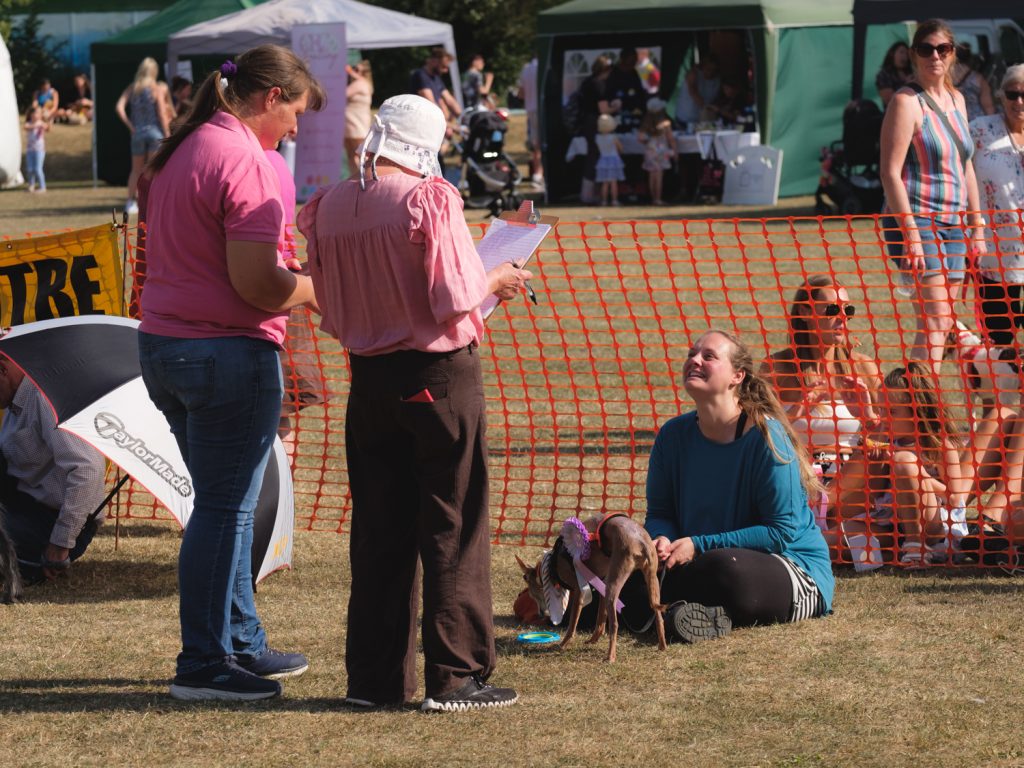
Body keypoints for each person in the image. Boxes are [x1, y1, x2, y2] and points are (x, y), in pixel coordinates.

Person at [297, 94, 529, 712]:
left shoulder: (331, 205)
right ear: (428, 141)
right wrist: (500, 276)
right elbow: (456, 294)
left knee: (379, 527)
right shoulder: (430, 196)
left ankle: (374, 682)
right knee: (454, 520)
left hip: (368, 378)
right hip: (437, 374)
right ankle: (457, 677)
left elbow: (326, 301)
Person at [138, 45, 324, 702]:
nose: (297, 131)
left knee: (228, 507)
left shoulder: (185, 148)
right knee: (222, 510)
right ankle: (204, 663)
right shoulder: (242, 158)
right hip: (224, 353)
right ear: (271, 96)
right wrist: (321, 285)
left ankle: (238, 640)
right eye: (296, 112)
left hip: (167, 348)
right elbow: (260, 286)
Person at [643, 329, 833, 643]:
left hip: (789, 568)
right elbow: (661, 512)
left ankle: (674, 608)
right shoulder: (671, 436)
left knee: (725, 570)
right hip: (698, 560)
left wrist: (698, 545)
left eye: (709, 356)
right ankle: (685, 612)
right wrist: (663, 539)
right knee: (627, 556)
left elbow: (780, 532)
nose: (695, 360)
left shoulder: (768, 439)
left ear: (737, 376)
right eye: (692, 354)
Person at [879, 19, 986, 376]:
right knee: (937, 321)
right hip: (919, 221)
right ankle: (922, 413)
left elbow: (965, 165)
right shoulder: (906, 101)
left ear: (953, 54)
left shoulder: (957, 99)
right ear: (913, 54)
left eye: (942, 49)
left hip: (954, 225)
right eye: (926, 49)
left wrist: (977, 225)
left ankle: (921, 410)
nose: (934, 56)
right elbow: (890, 173)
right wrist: (911, 235)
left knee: (939, 325)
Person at [761, 276, 882, 510]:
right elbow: (758, 434)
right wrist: (797, 410)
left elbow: (892, 434)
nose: (842, 317)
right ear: (805, 313)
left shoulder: (863, 367)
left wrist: (868, 417)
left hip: (853, 480)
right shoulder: (777, 368)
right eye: (833, 309)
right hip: (797, 474)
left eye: (848, 310)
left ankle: (825, 513)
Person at [834, 363, 973, 565]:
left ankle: (916, 547)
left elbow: (954, 498)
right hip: (893, 522)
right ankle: (894, 553)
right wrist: (874, 458)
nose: (885, 418)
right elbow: (876, 489)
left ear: (916, 411)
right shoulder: (887, 436)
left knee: (904, 462)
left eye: (893, 412)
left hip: (934, 526)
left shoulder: (940, 445)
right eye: (882, 410)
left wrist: (916, 472)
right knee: (835, 539)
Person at [0, 359, 106, 585]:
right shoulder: (16, 398)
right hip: (26, 507)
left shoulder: (44, 399)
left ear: (3, 369)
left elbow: (87, 470)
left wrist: (59, 545)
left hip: (51, 522)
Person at [969, 64, 1024, 348]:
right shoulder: (980, 130)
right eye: (1013, 94)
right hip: (995, 257)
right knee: (999, 345)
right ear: (1002, 95)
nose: (1019, 101)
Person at [115, 58, 173, 216]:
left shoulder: (133, 88)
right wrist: (167, 134)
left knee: (135, 171)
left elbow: (119, 107)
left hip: (138, 133)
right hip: (155, 133)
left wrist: (131, 126)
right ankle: (150, 202)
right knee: (153, 169)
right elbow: (161, 113)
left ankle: (130, 202)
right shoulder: (156, 88)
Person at [577, 54, 614, 204]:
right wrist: (616, 107)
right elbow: (603, 109)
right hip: (595, 123)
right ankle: (593, 194)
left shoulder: (586, 82)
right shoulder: (598, 84)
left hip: (586, 122)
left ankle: (588, 193)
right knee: (597, 156)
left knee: (592, 155)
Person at [637, 97, 676, 205]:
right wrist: (675, 152)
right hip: (661, 150)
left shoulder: (646, 123)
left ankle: (653, 198)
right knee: (659, 176)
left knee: (651, 175)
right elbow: (671, 139)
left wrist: (648, 142)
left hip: (650, 150)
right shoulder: (665, 123)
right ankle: (658, 199)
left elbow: (640, 138)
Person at [410, 47, 461, 124]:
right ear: (434, 61)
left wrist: (463, 117)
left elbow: (450, 100)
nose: (446, 70)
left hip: (435, 120)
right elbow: (432, 105)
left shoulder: (436, 78)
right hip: (423, 122)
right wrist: (450, 126)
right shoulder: (421, 75)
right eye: (444, 66)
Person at [674, 53, 720, 130]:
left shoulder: (717, 80)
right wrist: (707, 107)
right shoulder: (693, 74)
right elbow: (693, 93)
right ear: (703, 66)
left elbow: (716, 98)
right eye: (708, 69)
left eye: (713, 70)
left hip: (702, 121)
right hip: (684, 120)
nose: (710, 73)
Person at [517, 56, 543, 187]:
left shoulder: (526, 69)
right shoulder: (544, 66)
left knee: (536, 144)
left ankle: (537, 174)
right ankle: (540, 174)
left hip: (531, 109)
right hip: (544, 109)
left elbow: (521, 93)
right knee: (542, 144)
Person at [343, 61, 373, 179]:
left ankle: (364, 179)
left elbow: (342, 94)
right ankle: (357, 180)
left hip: (356, 124)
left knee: (360, 155)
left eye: (357, 69)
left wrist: (348, 71)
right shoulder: (364, 83)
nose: (353, 71)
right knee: (352, 155)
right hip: (352, 123)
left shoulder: (360, 83)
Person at [952, 44, 995, 123]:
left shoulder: (945, 78)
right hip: (977, 123)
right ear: (970, 58)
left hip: (955, 122)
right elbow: (988, 106)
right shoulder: (978, 78)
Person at [594, 113, 624, 206]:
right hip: (613, 160)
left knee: (605, 183)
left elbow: (599, 149)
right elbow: (620, 148)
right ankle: (614, 200)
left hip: (603, 160)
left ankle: (604, 201)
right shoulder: (613, 137)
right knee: (613, 182)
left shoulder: (597, 137)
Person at [875, 42, 913, 109]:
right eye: (901, 52)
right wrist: (906, 85)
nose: (904, 56)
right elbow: (889, 99)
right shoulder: (884, 74)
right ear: (892, 54)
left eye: (907, 54)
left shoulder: (910, 73)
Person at [23, 105, 49, 193]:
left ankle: (43, 187)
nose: (35, 115)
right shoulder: (29, 123)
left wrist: (46, 122)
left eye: (38, 113)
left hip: (39, 150)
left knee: (38, 169)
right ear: (30, 115)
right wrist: (36, 125)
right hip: (30, 150)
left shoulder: (41, 123)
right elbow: (26, 127)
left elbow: (47, 128)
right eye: (34, 113)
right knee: (30, 169)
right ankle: (31, 185)